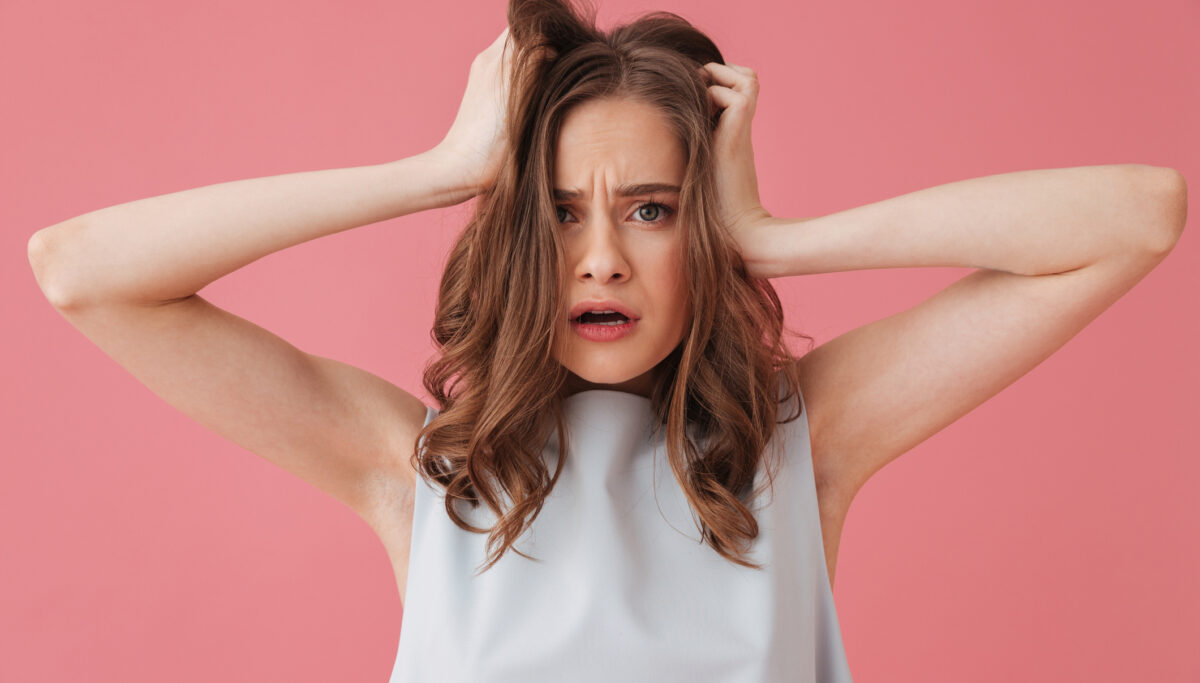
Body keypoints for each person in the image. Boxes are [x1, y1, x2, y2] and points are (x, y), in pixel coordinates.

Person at [26, 0, 1187, 681]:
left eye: (650, 207)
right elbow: (81, 273)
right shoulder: (422, 470)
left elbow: (1136, 216)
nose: (600, 258)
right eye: (561, 212)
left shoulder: (802, 441)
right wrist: (436, 172)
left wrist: (776, 237)